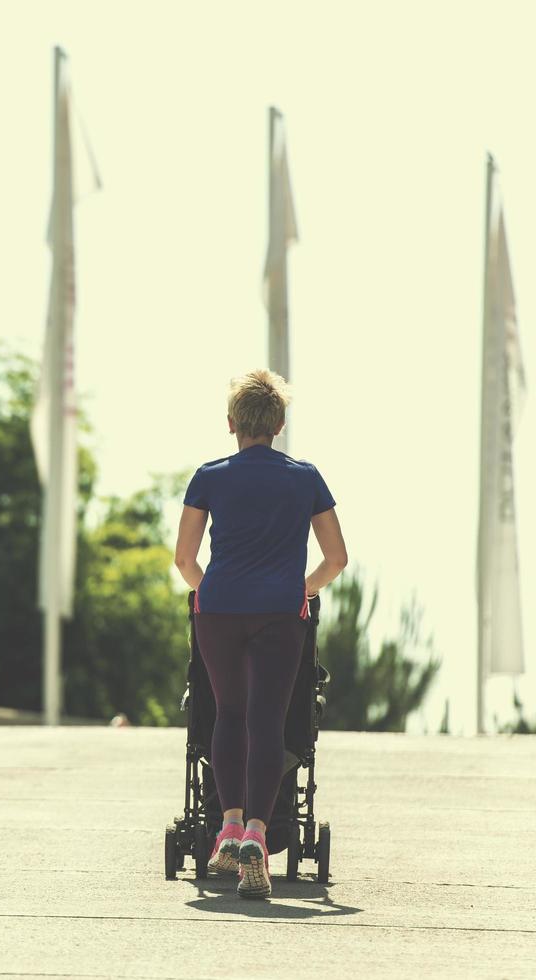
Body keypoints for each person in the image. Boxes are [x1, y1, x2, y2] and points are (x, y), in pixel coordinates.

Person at [172, 370, 348, 899]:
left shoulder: (209, 476)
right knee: (267, 720)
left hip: (219, 609)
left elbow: (184, 559)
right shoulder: (305, 477)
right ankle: (256, 835)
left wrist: (211, 593)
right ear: (280, 423)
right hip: (279, 612)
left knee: (228, 714)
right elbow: (336, 558)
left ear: (231, 423)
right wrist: (303, 589)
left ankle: (225, 826)